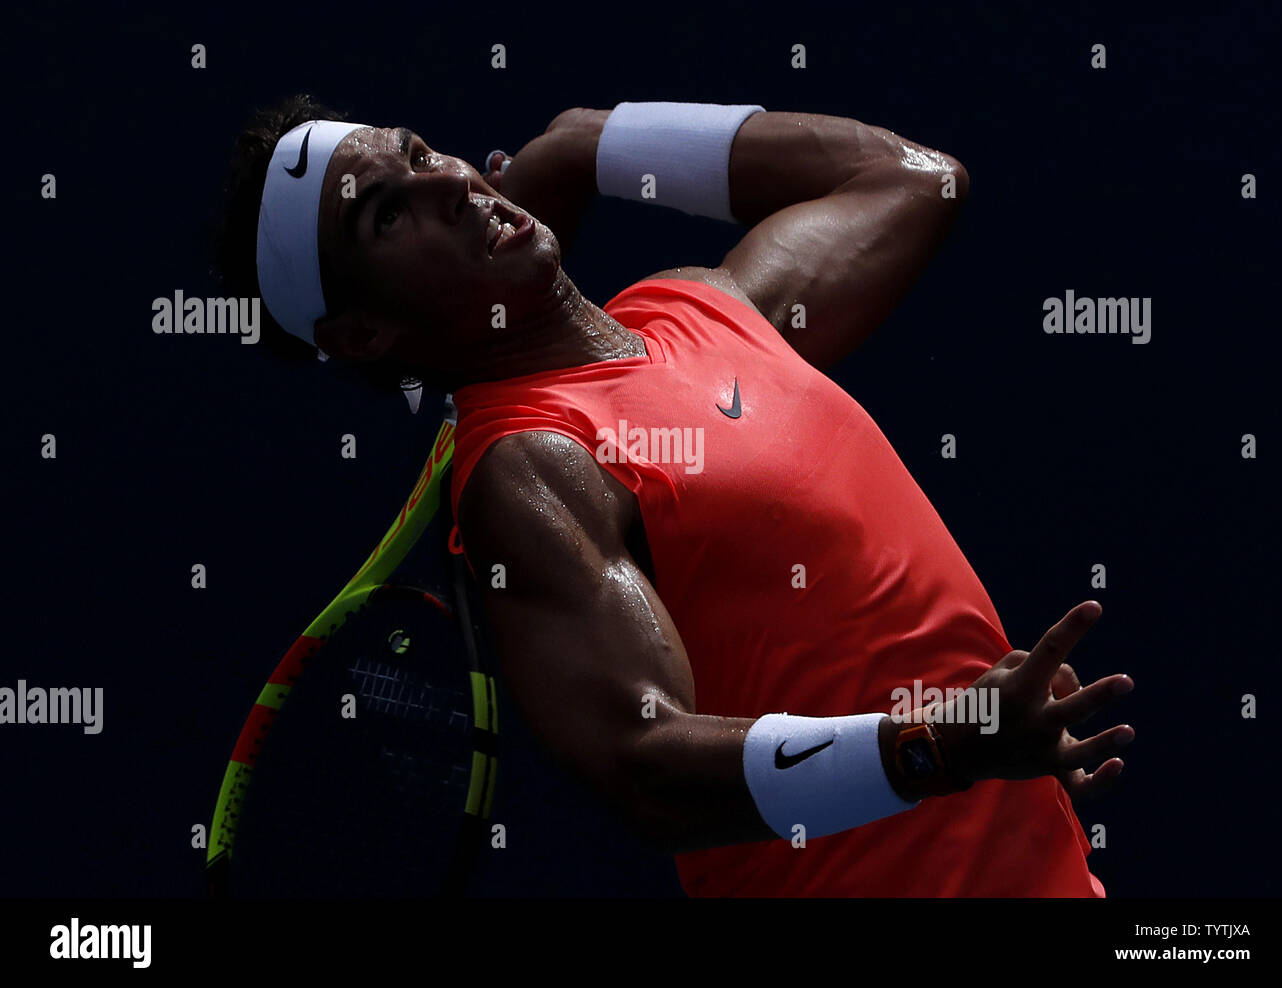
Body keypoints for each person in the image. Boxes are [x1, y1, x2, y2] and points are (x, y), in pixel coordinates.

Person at [214, 94, 1135, 896]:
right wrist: (942, 746)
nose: (448, 185)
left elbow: (914, 177)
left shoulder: (704, 308)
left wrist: (592, 139)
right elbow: (646, 766)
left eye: (420, 154)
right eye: (387, 216)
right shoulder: (529, 467)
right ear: (366, 333)